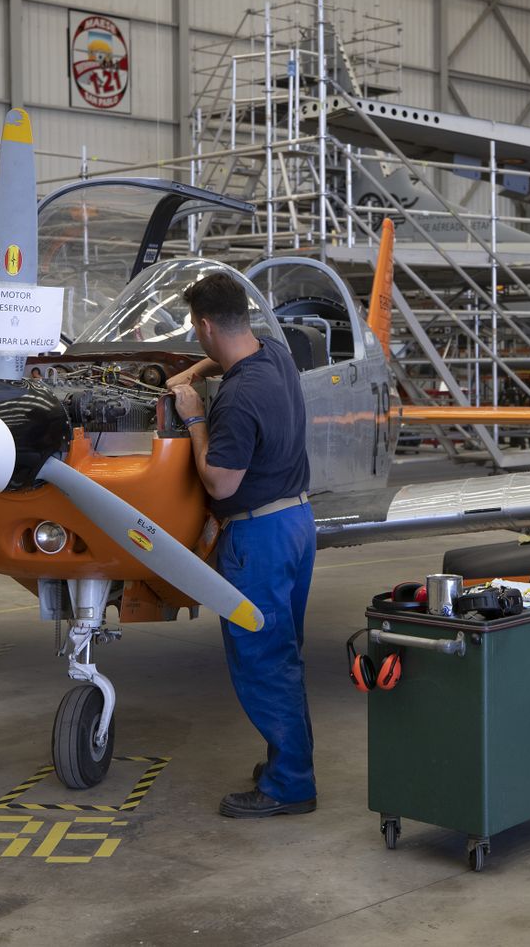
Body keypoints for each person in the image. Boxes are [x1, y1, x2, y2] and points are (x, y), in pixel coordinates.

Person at [167, 271, 318, 818]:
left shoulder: (235, 400)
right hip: (297, 523)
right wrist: (196, 367)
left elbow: (218, 483)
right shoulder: (273, 354)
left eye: (194, 330)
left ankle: (289, 786)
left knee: (263, 659)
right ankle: (289, 761)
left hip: (258, 535)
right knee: (284, 653)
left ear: (205, 325)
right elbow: (224, 357)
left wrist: (193, 417)